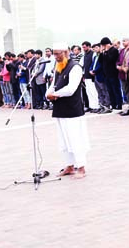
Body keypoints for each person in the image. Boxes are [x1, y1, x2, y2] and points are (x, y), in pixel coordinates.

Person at [46, 43, 91, 179]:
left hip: (72, 109)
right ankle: (69, 165)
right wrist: (48, 94)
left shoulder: (75, 67)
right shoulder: (58, 66)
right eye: (54, 54)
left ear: (66, 52)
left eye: (58, 53)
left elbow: (71, 88)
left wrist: (55, 94)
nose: (56, 56)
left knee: (75, 138)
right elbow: (53, 85)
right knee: (63, 140)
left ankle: (81, 167)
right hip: (60, 108)